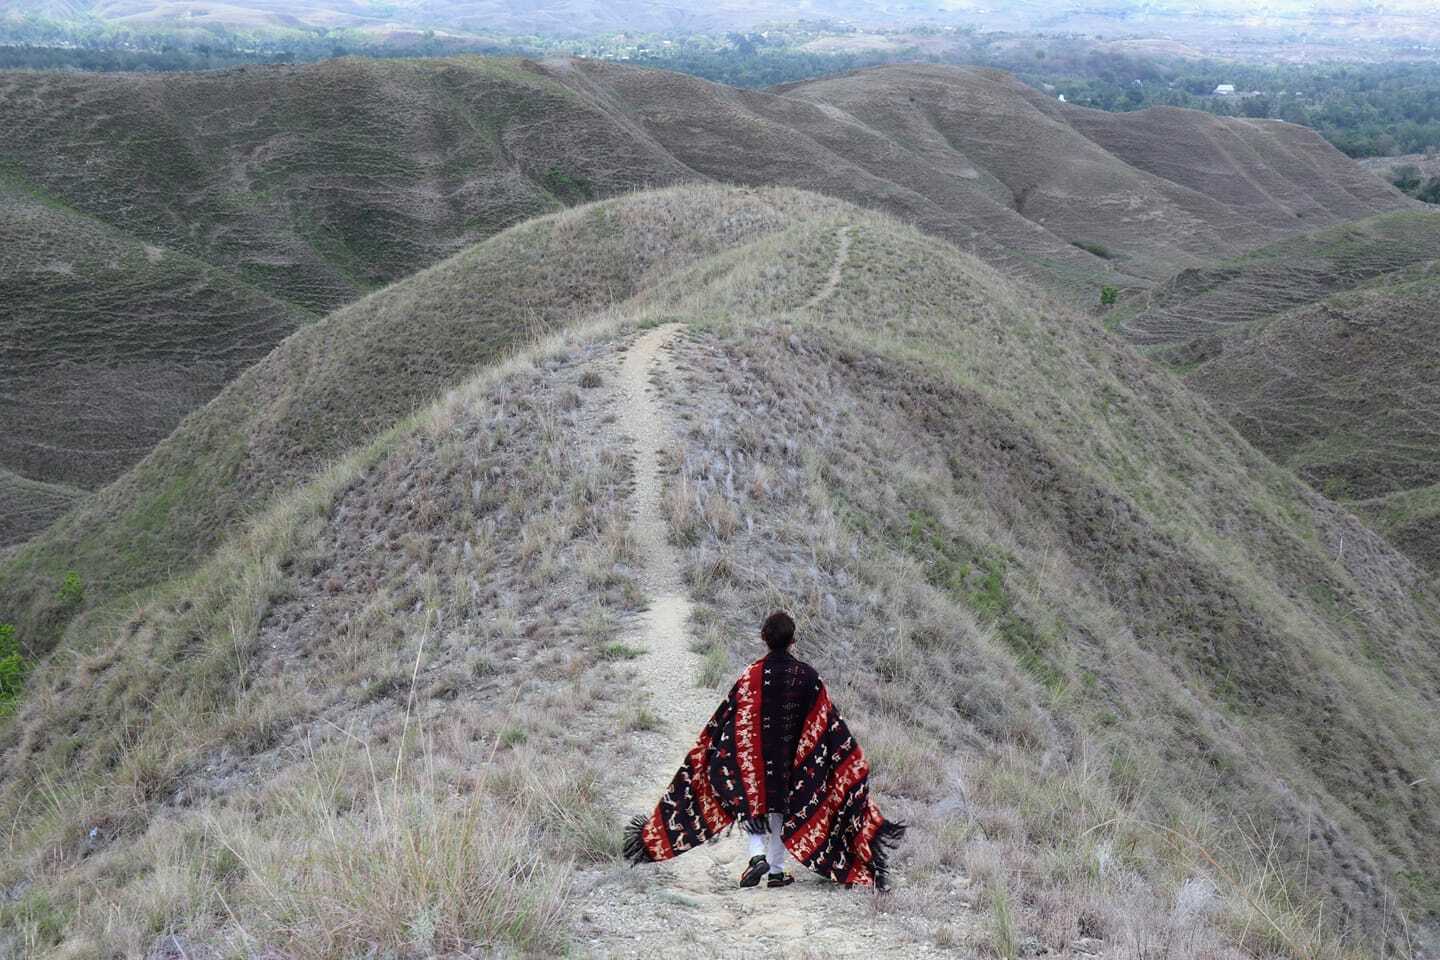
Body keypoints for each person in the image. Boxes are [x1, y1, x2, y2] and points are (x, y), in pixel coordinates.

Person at [624, 611, 905, 890]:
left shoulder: (752, 675)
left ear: (764, 638)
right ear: (793, 641)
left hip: (755, 758)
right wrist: (848, 759)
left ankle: (757, 856)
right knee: (782, 809)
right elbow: (827, 721)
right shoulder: (809, 677)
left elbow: (730, 715)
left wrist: (720, 748)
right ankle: (775, 871)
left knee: (750, 798)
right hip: (792, 761)